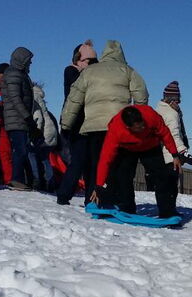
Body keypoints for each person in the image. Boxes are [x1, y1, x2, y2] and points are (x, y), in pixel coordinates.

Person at [60, 40, 148, 205]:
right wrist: (137, 120)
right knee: (121, 167)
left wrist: (66, 124)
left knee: (96, 166)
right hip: (120, 126)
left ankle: (93, 200)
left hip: (94, 127)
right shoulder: (128, 71)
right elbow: (141, 96)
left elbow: (74, 99)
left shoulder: (90, 71)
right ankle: (124, 203)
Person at [91, 105, 180, 217]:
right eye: (138, 128)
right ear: (128, 127)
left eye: (143, 125)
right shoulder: (116, 130)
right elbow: (105, 159)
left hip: (150, 146)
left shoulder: (151, 116)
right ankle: (127, 209)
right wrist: (99, 186)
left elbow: (165, 134)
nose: (143, 128)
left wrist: (175, 155)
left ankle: (167, 212)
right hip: (127, 149)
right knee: (123, 178)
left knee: (161, 177)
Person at [56, 40, 96, 205]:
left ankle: (90, 198)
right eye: (89, 61)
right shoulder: (71, 71)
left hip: (89, 122)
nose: (93, 65)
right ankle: (64, 195)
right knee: (78, 161)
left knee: (90, 162)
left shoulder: (86, 73)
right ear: (78, 60)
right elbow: (76, 92)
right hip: (76, 123)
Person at [2, 47, 37, 190]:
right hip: (15, 118)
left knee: (23, 149)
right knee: (20, 150)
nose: (30, 63)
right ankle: (16, 179)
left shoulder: (20, 74)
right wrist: (27, 117)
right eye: (28, 61)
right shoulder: (13, 74)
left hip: (19, 118)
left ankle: (26, 179)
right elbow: (16, 98)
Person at [155, 81, 192, 207]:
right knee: (170, 186)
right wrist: (184, 152)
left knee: (163, 185)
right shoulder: (171, 114)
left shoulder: (160, 109)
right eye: (177, 101)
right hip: (170, 155)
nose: (178, 103)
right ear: (170, 100)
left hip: (161, 153)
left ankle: (165, 210)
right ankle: (168, 211)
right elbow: (174, 135)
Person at [30, 83, 58, 191]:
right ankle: (50, 183)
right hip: (51, 130)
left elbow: (38, 117)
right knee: (44, 158)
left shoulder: (33, 96)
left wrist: (35, 133)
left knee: (32, 154)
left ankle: (37, 180)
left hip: (43, 131)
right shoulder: (39, 95)